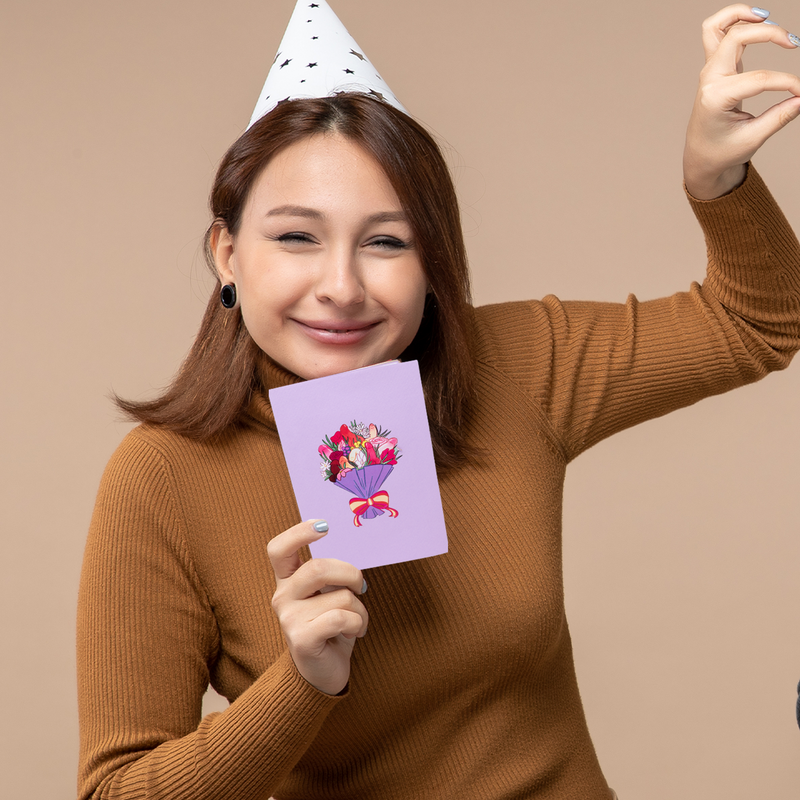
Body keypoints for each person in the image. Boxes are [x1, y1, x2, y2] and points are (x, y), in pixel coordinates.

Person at [76, 3, 800, 799]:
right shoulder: (162, 478)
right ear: (227, 254)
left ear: (434, 262)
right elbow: (117, 791)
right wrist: (303, 682)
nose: (342, 288)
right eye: (296, 237)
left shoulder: (517, 366)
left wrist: (715, 179)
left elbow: (757, 321)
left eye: (387, 241)